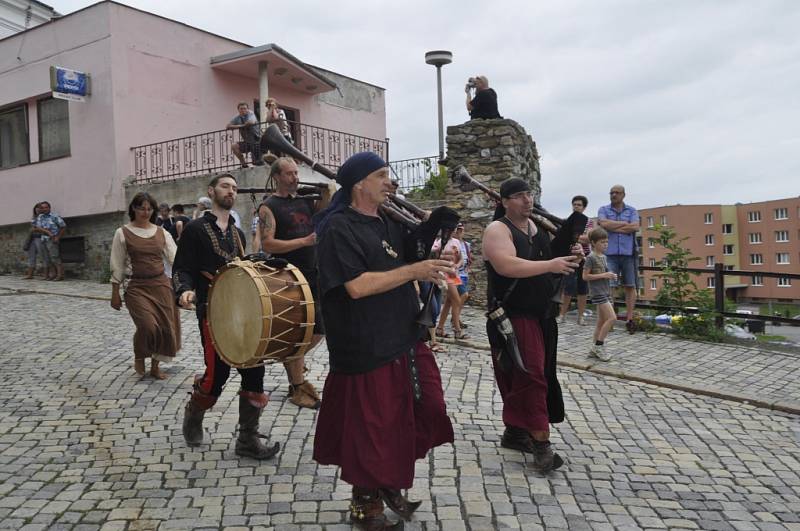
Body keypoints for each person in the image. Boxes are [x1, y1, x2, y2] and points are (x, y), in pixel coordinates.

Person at [312, 152, 456, 531]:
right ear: (359, 184)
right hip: (364, 342)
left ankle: (388, 478)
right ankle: (366, 505)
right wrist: (415, 270)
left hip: (403, 333)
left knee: (428, 408)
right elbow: (357, 286)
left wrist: (434, 228)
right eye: (380, 175)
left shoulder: (388, 221)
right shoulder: (337, 228)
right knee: (372, 426)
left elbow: (413, 254)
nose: (389, 181)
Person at [173, 173, 280, 460]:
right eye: (225, 186)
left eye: (234, 187)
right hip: (211, 310)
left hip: (242, 312)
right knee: (215, 377)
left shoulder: (237, 233)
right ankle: (194, 412)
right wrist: (184, 289)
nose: (231, 191)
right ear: (212, 191)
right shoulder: (195, 229)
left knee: (254, 369)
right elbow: (182, 267)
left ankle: (247, 440)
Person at [482, 178, 580, 472]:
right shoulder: (497, 230)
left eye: (529, 194)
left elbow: (548, 264)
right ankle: (541, 444)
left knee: (534, 373)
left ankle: (515, 431)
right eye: (520, 195)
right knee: (531, 375)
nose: (527, 200)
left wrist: (570, 257)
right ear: (505, 201)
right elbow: (506, 265)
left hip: (541, 314)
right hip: (514, 315)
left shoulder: (536, 228)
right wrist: (550, 265)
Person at [260, 157, 333, 409]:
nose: (295, 177)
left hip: (313, 273)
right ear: (277, 176)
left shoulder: (304, 200)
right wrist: (303, 242)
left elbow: (323, 216)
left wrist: (326, 193)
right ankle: (297, 384)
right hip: (288, 277)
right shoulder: (268, 206)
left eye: (296, 172)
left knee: (318, 329)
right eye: (289, 174)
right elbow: (267, 244)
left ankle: (293, 365)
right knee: (300, 331)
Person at [110, 192, 181, 379]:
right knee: (148, 326)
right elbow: (117, 264)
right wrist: (115, 292)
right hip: (136, 287)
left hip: (160, 285)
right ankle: (140, 353)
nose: (145, 212)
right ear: (133, 208)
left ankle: (155, 367)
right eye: (141, 208)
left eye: (149, 209)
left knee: (164, 327)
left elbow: (176, 259)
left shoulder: (161, 232)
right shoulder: (122, 233)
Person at [597, 185, 640, 330]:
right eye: (611, 193)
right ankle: (610, 320)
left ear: (623, 195)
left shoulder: (632, 210)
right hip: (609, 254)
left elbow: (635, 227)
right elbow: (603, 224)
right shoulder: (603, 209)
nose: (613, 195)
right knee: (609, 287)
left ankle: (630, 319)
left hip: (628, 254)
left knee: (630, 286)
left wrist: (612, 226)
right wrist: (624, 224)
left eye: (616, 193)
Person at [583, 227, 617, 362]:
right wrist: (604, 275)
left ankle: (593, 348)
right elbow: (585, 276)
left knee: (601, 321)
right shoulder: (590, 258)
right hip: (597, 293)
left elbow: (604, 273)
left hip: (606, 291)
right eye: (602, 242)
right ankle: (599, 345)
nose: (605, 244)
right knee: (612, 318)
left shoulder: (604, 257)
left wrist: (611, 275)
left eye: (606, 242)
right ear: (593, 243)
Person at [559, 195, 593, 325]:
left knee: (582, 288)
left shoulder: (589, 221)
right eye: (574, 204)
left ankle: (581, 316)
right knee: (568, 287)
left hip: (585, 258)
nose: (576, 207)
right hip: (570, 256)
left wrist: (572, 237)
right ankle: (562, 315)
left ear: (584, 207)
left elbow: (589, 238)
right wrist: (577, 237)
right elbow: (562, 237)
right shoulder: (568, 220)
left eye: (579, 205)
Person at [433, 235, 468, 340]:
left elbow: (461, 258)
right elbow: (433, 256)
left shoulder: (456, 242)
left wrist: (457, 265)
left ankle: (439, 328)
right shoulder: (439, 242)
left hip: (454, 274)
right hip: (444, 274)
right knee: (457, 300)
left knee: (449, 302)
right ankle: (457, 330)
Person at [33, 201, 66, 281]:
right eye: (42, 208)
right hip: (43, 239)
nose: (44, 209)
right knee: (47, 258)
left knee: (55, 257)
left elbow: (63, 226)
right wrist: (47, 232)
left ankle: (60, 275)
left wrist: (58, 237)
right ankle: (53, 274)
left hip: (52, 239)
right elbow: (37, 227)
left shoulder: (54, 216)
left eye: (46, 207)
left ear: (49, 208)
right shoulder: (40, 217)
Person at [227, 102, 263, 167]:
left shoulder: (250, 113)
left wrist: (237, 126)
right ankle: (244, 164)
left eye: (245, 108)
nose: (243, 110)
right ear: (238, 110)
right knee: (234, 146)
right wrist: (242, 126)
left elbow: (251, 122)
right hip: (247, 142)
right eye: (241, 109)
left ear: (247, 109)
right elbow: (228, 126)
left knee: (257, 162)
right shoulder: (237, 117)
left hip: (257, 140)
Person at [24, 203, 49, 279]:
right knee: (31, 256)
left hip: (40, 238)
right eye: (36, 207)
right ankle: (30, 275)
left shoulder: (45, 217)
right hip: (32, 238)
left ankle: (46, 275)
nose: (37, 209)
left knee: (43, 256)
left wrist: (36, 229)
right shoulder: (34, 218)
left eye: (39, 208)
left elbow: (45, 228)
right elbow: (32, 228)